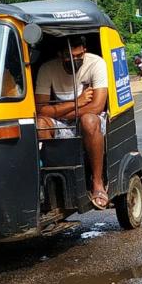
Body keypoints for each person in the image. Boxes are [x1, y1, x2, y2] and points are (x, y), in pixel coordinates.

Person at [35, 35, 111, 209]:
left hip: (88, 121)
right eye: (70, 57)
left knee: (89, 120)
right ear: (60, 55)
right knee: (40, 124)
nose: (75, 61)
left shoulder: (95, 63)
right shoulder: (48, 69)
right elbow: (41, 109)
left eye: (79, 57)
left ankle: (98, 182)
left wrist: (61, 112)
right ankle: (50, 184)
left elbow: (97, 107)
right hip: (61, 122)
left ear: (84, 51)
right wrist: (76, 102)